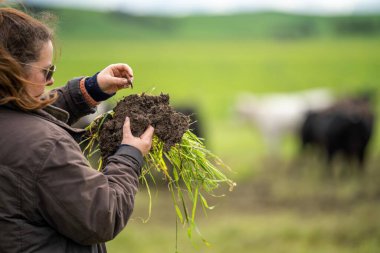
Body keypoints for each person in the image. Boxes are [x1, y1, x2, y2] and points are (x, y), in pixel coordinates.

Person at [0, 7, 154, 252]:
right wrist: (128, 157)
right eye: (46, 71)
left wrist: (88, 90)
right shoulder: (46, 147)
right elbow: (102, 215)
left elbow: (18, 118)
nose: (51, 81)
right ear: (14, 71)